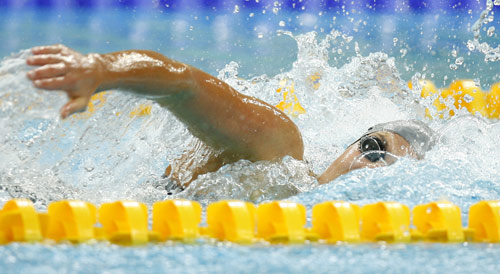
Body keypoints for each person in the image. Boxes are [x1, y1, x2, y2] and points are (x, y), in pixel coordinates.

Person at [25, 44, 436, 190]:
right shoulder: (279, 148)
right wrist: (100, 70)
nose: (366, 166)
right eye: (373, 148)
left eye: (386, 168)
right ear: (348, 146)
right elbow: (184, 83)